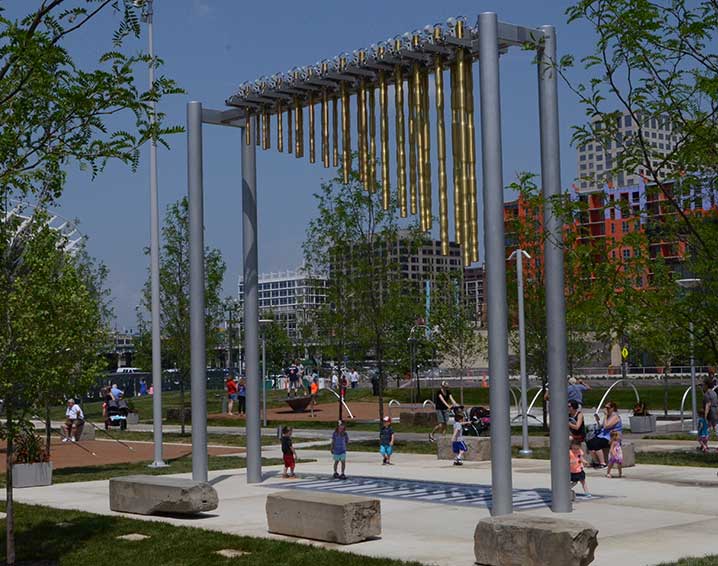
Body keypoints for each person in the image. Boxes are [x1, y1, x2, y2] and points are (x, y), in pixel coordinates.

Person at [586, 401, 622, 468]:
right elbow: (602, 427)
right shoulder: (608, 416)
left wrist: (605, 416)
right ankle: (596, 462)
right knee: (590, 442)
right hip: (603, 435)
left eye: (608, 408)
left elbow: (606, 426)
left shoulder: (615, 417)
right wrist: (598, 420)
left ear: (612, 408)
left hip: (611, 437)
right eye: (605, 407)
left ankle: (603, 463)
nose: (606, 409)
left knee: (597, 443)